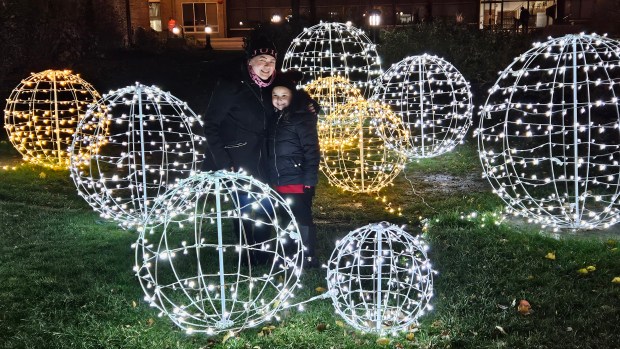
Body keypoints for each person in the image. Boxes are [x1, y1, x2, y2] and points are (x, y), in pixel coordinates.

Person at [202, 34, 278, 265]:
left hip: (264, 158)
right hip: (238, 160)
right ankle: (247, 254)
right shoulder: (231, 86)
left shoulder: (273, 86)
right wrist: (224, 161)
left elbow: (295, 99)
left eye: (272, 61)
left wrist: (310, 106)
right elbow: (211, 124)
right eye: (262, 59)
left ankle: (264, 253)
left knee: (267, 207)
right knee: (243, 209)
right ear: (250, 62)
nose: (267, 66)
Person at [267, 70, 321, 268]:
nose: (279, 100)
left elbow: (312, 150)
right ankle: (289, 251)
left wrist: (309, 178)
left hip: (298, 180)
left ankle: (307, 255)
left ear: (292, 96)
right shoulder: (274, 118)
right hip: (279, 180)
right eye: (275, 95)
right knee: (285, 216)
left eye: (284, 96)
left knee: (302, 217)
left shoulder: (301, 117)